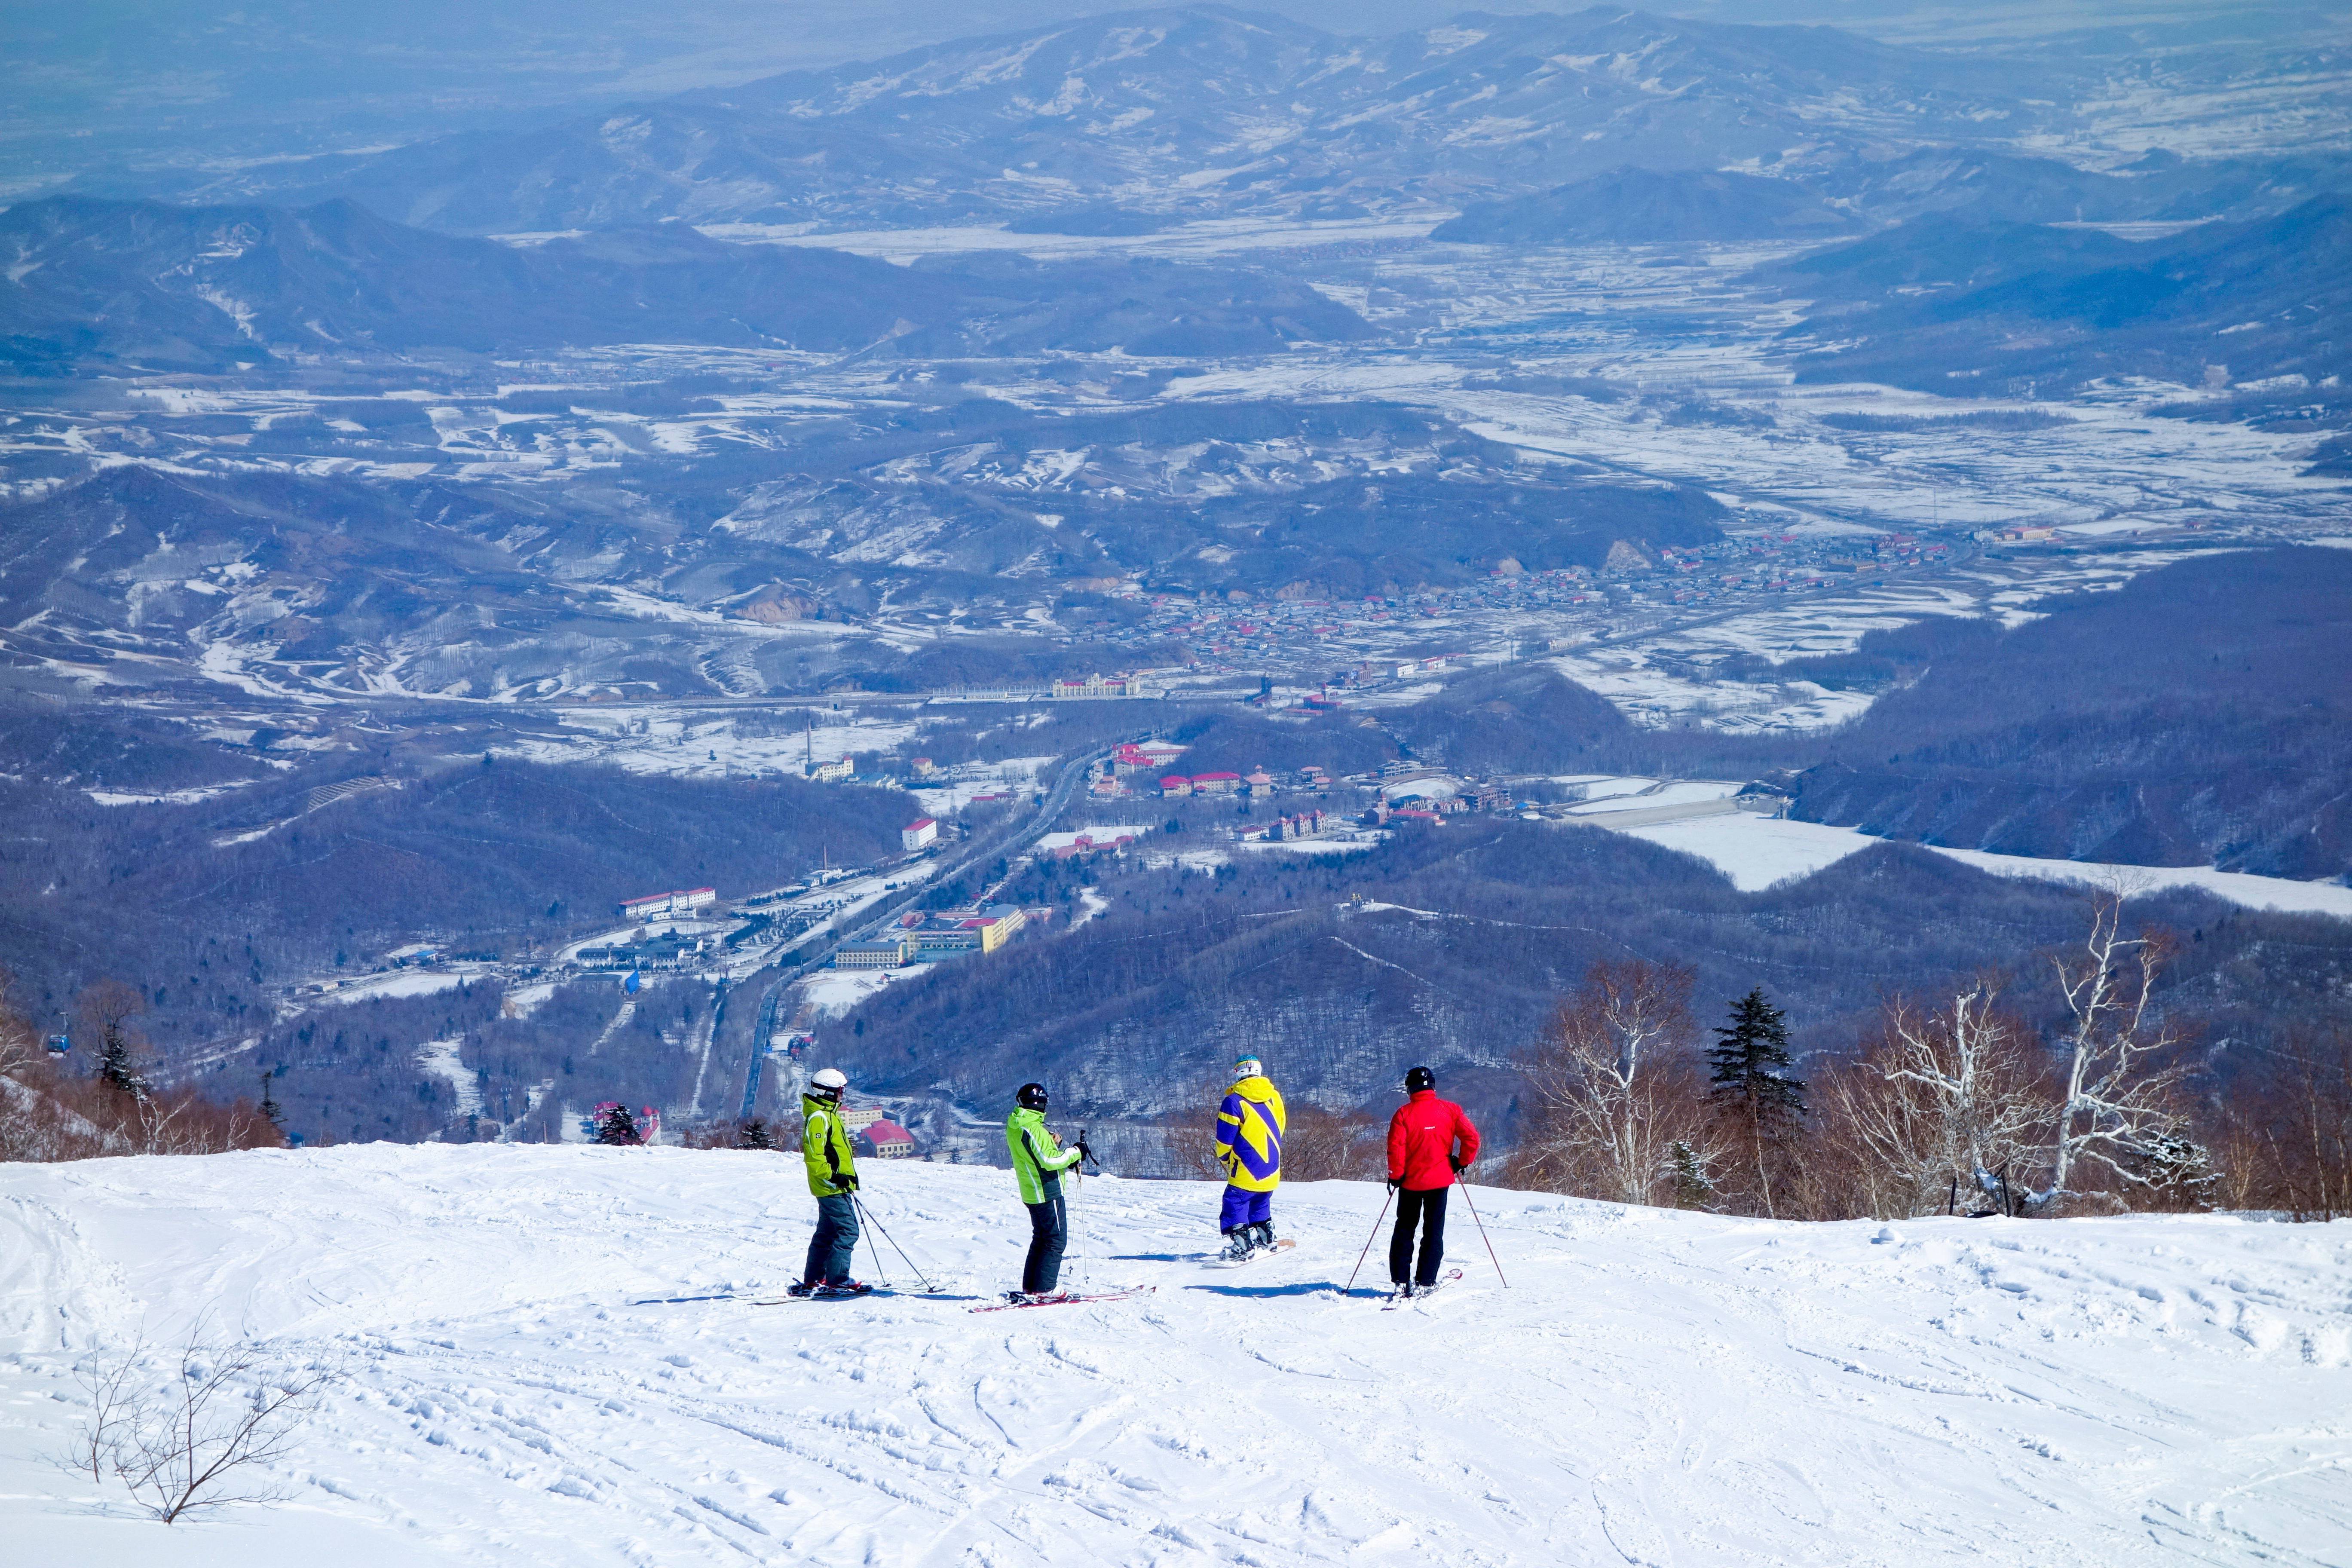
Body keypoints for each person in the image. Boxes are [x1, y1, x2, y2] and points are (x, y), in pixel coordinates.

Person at [1386, 1064, 1480, 1296]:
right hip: (1440, 1182)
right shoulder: (1451, 1110)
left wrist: (1396, 1176)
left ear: (1410, 1089)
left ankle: (1401, 1282)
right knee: (1434, 1231)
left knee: (1405, 1230)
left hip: (1410, 1183)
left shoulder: (1403, 1114)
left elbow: (1395, 1149)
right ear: (1433, 1086)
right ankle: (1426, 1281)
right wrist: (1461, 1162)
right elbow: (1473, 1139)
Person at [790, 1067, 871, 1298]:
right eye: (840, 1090)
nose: (842, 1094)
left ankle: (815, 1278)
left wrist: (846, 1177)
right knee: (848, 1230)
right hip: (830, 1187)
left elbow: (836, 1153)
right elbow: (814, 1157)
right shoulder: (819, 1118)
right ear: (827, 1092)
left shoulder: (828, 1115)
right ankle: (838, 1280)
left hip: (835, 1185)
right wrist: (834, 1177)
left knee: (827, 1233)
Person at [1005, 1081, 1089, 1300]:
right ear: (1041, 1104)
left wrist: (1052, 1143)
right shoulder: (1034, 1129)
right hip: (1046, 1191)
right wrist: (1076, 1152)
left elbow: (1034, 1153)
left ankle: (1033, 1287)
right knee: (1055, 1239)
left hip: (1032, 1190)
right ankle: (1045, 1289)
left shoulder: (1016, 1124)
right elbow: (1050, 1161)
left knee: (1042, 1238)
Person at [1213, 1056, 1286, 1261]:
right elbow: (1281, 1125)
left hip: (1245, 1163)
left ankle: (1242, 1245)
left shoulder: (1234, 1101)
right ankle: (1267, 1236)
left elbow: (1225, 1137)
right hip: (1272, 1162)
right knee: (1261, 1199)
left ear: (1238, 1073)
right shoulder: (1274, 1097)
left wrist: (1225, 1158)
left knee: (1235, 1200)